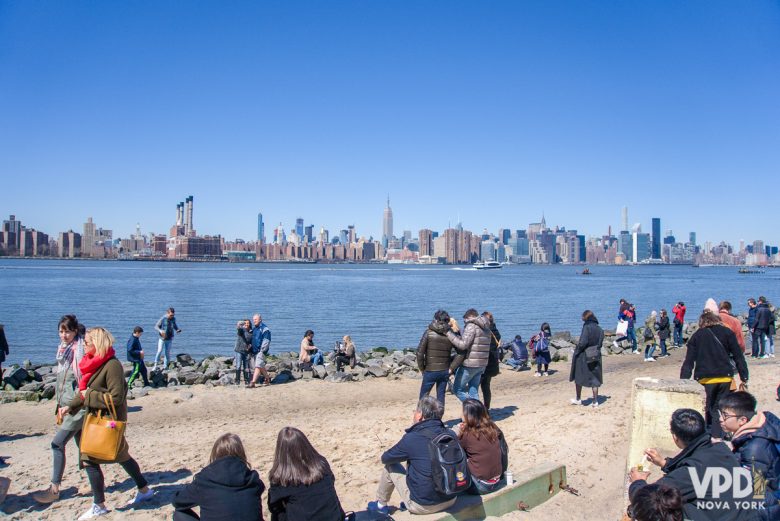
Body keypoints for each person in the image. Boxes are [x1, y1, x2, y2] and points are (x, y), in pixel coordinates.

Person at [67, 327, 154, 519]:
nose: (85, 345)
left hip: (109, 421)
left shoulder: (112, 365)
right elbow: (84, 392)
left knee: (96, 457)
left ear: (97, 343)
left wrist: (88, 396)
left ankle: (100, 504)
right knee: (113, 457)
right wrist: (69, 407)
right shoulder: (93, 363)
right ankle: (144, 489)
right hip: (96, 417)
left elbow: (116, 397)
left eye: (88, 342)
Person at [629, 408, 758, 521]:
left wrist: (637, 482)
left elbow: (648, 501)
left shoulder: (691, 472)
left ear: (675, 437)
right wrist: (664, 463)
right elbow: (696, 464)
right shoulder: (721, 450)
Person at [367, 396, 457, 515]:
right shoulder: (450, 434)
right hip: (451, 499)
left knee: (390, 466)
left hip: (424, 506)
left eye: (415, 412)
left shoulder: (412, 438)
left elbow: (386, 458)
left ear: (419, 415)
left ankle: (380, 505)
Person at [32, 315, 87, 505]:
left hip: (76, 408)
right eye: (61, 331)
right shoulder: (64, 351)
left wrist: (70, 406)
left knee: (57, 444)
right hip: (66, 406)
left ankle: (54, 489)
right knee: (84, 447)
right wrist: (59, 405)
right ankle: (96, 482)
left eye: (68, 331)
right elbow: (61, 381)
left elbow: (82, 384)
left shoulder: (79, 351)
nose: (64, 335)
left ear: (75, 331)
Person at [680, 309, 749, 439]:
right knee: (719, 407)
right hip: (724, 376)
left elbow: (689, 361)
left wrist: (684, 379)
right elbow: (738, 356)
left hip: (705, 378)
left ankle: (709, 434)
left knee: (707, 408)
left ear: (701, 322)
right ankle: (718, 435)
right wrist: (744, 376)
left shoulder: (697, 336)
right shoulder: (727, 333)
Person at [172, 433, 266, 521]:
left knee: (179, 513)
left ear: (215, 454)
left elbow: (178, 502)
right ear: (242, 454)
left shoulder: (205, 479)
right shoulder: (252, 479)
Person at [717, 392, 780, 521]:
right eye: (720, 413)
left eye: (725, 415)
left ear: (743, 420)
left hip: (762, 509)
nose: (720, 419)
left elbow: (755, 486)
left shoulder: (754, 447)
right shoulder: (759, 428)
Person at [267, 427, 345, 521]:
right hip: (335, 517)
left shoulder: (280, 477)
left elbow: (274, 507)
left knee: (279, 513)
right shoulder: (321, 464)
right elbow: (331, 482)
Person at [457, 399, 507, 495]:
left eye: (462, 412)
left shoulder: (467, 434)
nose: (460, 415)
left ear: (469, 415)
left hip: (480, 486)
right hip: (497, 481)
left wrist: (459, 430)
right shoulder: (492, 427)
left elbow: (457, 449)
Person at [446, 309, 491, 402]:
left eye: (464, 320)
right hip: (482, 364)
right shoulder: (486, 327)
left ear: (469, 317)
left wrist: (449, 334)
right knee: (473, 390)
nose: (464, 323)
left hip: (470, 364)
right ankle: (478, 414)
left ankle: (474, 408)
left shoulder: (471, 326)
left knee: (457, 389)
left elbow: (463, 345)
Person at [417, 310, 455, 407]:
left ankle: (421, 417)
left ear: (435, 319)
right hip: (444, 370)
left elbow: (420, 353)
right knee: (441, 396)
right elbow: (461, 352)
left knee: (423, 396)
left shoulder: (428, 333)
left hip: (430, 370)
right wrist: (452, 367)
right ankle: (438, 419)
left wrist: (422, 368)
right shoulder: (450, 334)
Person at [569, 310, 604, 408]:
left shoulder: (586, 327)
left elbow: (583, 342)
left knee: (578, 376)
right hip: (596, 355)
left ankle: (578, 399)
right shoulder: (600, 329)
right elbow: (600, 344)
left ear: (585, 317)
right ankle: (595, 401)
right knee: (595, 378)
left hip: (584, 356)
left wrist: (576, 351)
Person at [479, 311, 501, 410]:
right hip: (493, 362)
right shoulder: (495, 330)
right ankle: (487, 408)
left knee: (476, 386)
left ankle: (480, 410)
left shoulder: (485, 331)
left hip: (485, 363)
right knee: (486, 386)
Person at [248, 314, 271, 388]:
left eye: (256, 319)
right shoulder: (254, 329)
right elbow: (252, 339)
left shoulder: (265, 329)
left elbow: (266, 340)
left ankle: (253, 382)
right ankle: (267, 378)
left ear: (260, 319)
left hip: (261, 351)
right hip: (254, 351)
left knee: (257, 366)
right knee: (261, 366)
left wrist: (262, 350)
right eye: (253, 319)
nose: (254, 321)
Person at [234, 319, 253, 385]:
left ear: (250, 324)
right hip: (239, 350)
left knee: (246, 366)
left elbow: (251, 342)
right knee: (238, 365)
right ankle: (237, 380)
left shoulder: (251, 332)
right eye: (245, 323)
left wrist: (250, 346)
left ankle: (246, 380)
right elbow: (239, 330)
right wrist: (239, 326)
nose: (246, 324)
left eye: (248, 323)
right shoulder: (241, 330)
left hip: (246, 351)